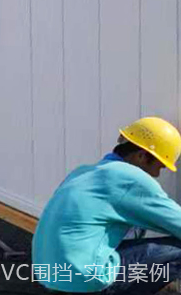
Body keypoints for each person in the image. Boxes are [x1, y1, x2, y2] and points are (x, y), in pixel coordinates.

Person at [33, 116, 181, 295]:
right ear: (141, 156)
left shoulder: (83, 172)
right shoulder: (131, 179)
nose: (157, 174)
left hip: (51, 276)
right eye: (159, 166)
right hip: (87, 280)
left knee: (135, 225)